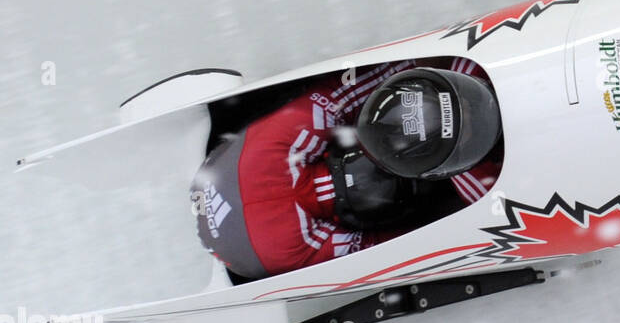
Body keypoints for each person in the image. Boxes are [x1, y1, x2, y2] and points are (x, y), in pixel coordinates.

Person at [192, 57, 502, 280]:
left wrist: (437, 75)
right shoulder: (293, 244)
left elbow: (345, 94)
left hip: (241, 172)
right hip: (250, 247)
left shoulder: (290, 139)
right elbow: (392, 251)